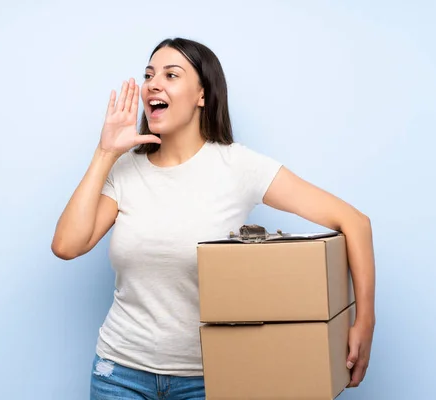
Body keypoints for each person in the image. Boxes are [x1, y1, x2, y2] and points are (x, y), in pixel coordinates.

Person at [51, 37, 376, 400]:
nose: (153, 84)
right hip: (119, 373)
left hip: (208, 378)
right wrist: (105, 152)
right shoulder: (126, 169)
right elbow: (67, 245)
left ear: (202, 95)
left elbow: (355, 222)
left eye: (171, 75)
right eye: (148, 75)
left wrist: (364, 322)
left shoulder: (238, 166)